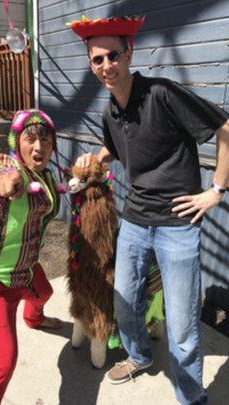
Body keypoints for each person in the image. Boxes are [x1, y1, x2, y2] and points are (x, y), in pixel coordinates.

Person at [68, 15, 229, 404]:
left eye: (113, 56)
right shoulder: (111, 111)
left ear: (129, 53)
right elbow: (117, 145)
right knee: (124, 302)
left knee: (183, 324)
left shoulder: (162, 94)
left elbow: (225, 129)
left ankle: (190, 395)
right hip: (136, 221)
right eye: (97, 60)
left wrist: (217, 190)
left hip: (178, 224)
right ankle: (138, 355)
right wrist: (98, 160)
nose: (106, 66)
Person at [0, 109, 64, 405]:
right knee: (2, 362)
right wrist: (7, 183)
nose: (38, 146)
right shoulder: (5, 164)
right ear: (16, 142)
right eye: (30, 139)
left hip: (26, 270)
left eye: (45, 139)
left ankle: (34, 319)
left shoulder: (44, 175)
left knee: (44, 292)